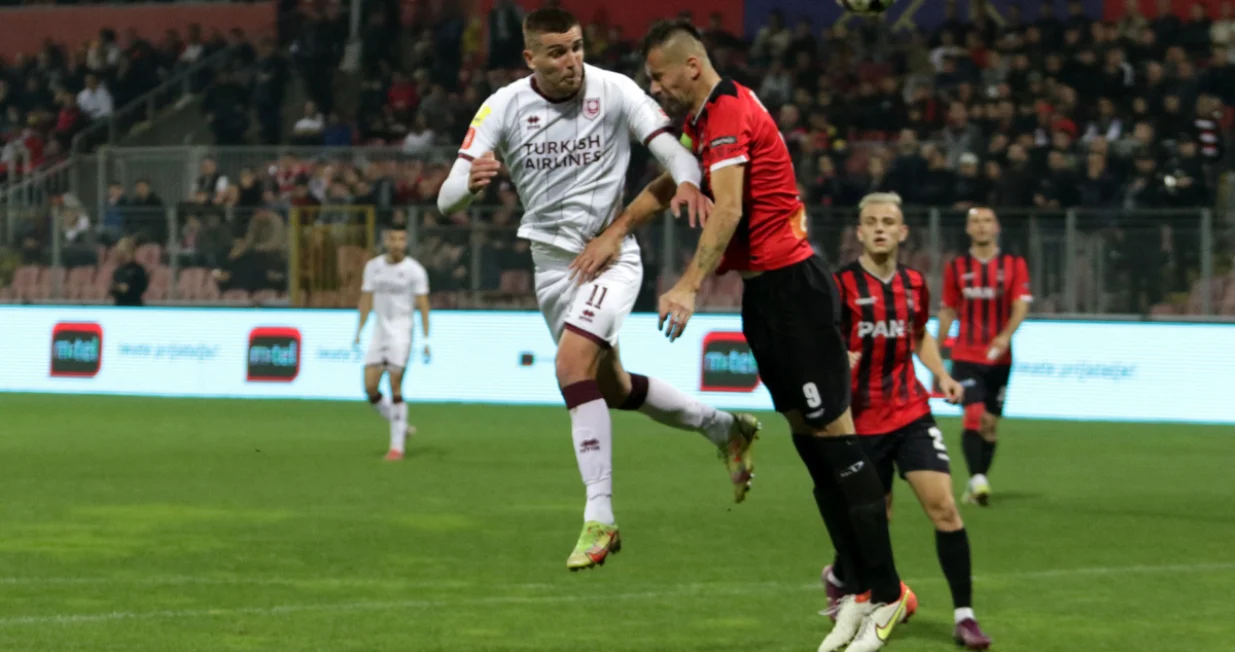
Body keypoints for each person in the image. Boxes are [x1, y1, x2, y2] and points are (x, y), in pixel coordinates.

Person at [587, 20, 909, 652]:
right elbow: (668, 183)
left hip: (796, 292)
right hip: (765, 297)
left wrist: (686, 285)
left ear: (692, 66)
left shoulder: (729, 111)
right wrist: (617, 229)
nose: (655, 88)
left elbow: (728, 207)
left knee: (839, 445)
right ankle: (859, 592)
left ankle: (891, 594)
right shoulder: (704, 123)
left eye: (659, 76)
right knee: (816, 454)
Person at [435, 8, 760, 572]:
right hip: (551, 268)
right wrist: (469, 185)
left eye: (578, 47)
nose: (572, 62)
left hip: (611, 258)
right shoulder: (503, 106)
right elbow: (446, 199)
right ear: (530, 58)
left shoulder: (615, 90)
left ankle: (600, 517)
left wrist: (687, 180)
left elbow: (673, 149)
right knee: (610, 387)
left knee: (570, 367)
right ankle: (725, 428)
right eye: (557, 52)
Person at [822, 192, 992, 650]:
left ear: (903, 232)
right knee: (875, 522)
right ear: (858, 232)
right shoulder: (839, 286)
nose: (880, 228)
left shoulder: (915, 283)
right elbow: (822, 348)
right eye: (871, 222)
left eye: (889, 222)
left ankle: (965, 616)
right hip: (860, 423)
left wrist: (941, 374)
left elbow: (918, 335)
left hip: (911, 412)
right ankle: (844, 578)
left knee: (945, 508)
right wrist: (841, 360)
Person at [936, 207, 1031, 506]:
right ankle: (978, 480)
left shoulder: (1014, 265)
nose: (981, 227)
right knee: (974, 414)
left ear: (997, 227)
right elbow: (949, 308)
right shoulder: (956, 267)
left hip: (1000, 358)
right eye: (975, 222)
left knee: (990, 423)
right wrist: (938, 347)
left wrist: (1005, 336)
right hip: (966, 354)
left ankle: (978, 480)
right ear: (968, 229)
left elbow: (1020, 305)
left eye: (987, 221)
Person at [353, 224, 430, 461]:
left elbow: (423, 305)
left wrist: (427, 338)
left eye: (401, 239)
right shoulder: (373, 267)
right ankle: (402, 427)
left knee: (395, 384)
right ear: (386, 240)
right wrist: (359, 329)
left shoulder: (414, 270)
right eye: (393, 238)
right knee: (370, 387)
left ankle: (397, 447)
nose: (397, 243)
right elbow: (366, 299)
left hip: (401, 331)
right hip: (379, 331)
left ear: (406, 242)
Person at [110, 238, 148, 307]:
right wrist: (117, 288)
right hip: (119, 306)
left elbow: (141, 287)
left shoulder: (138, 270)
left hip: (134, 307)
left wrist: (127, 288)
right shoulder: (118, 270)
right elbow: (113, 288)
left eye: (120, 251)